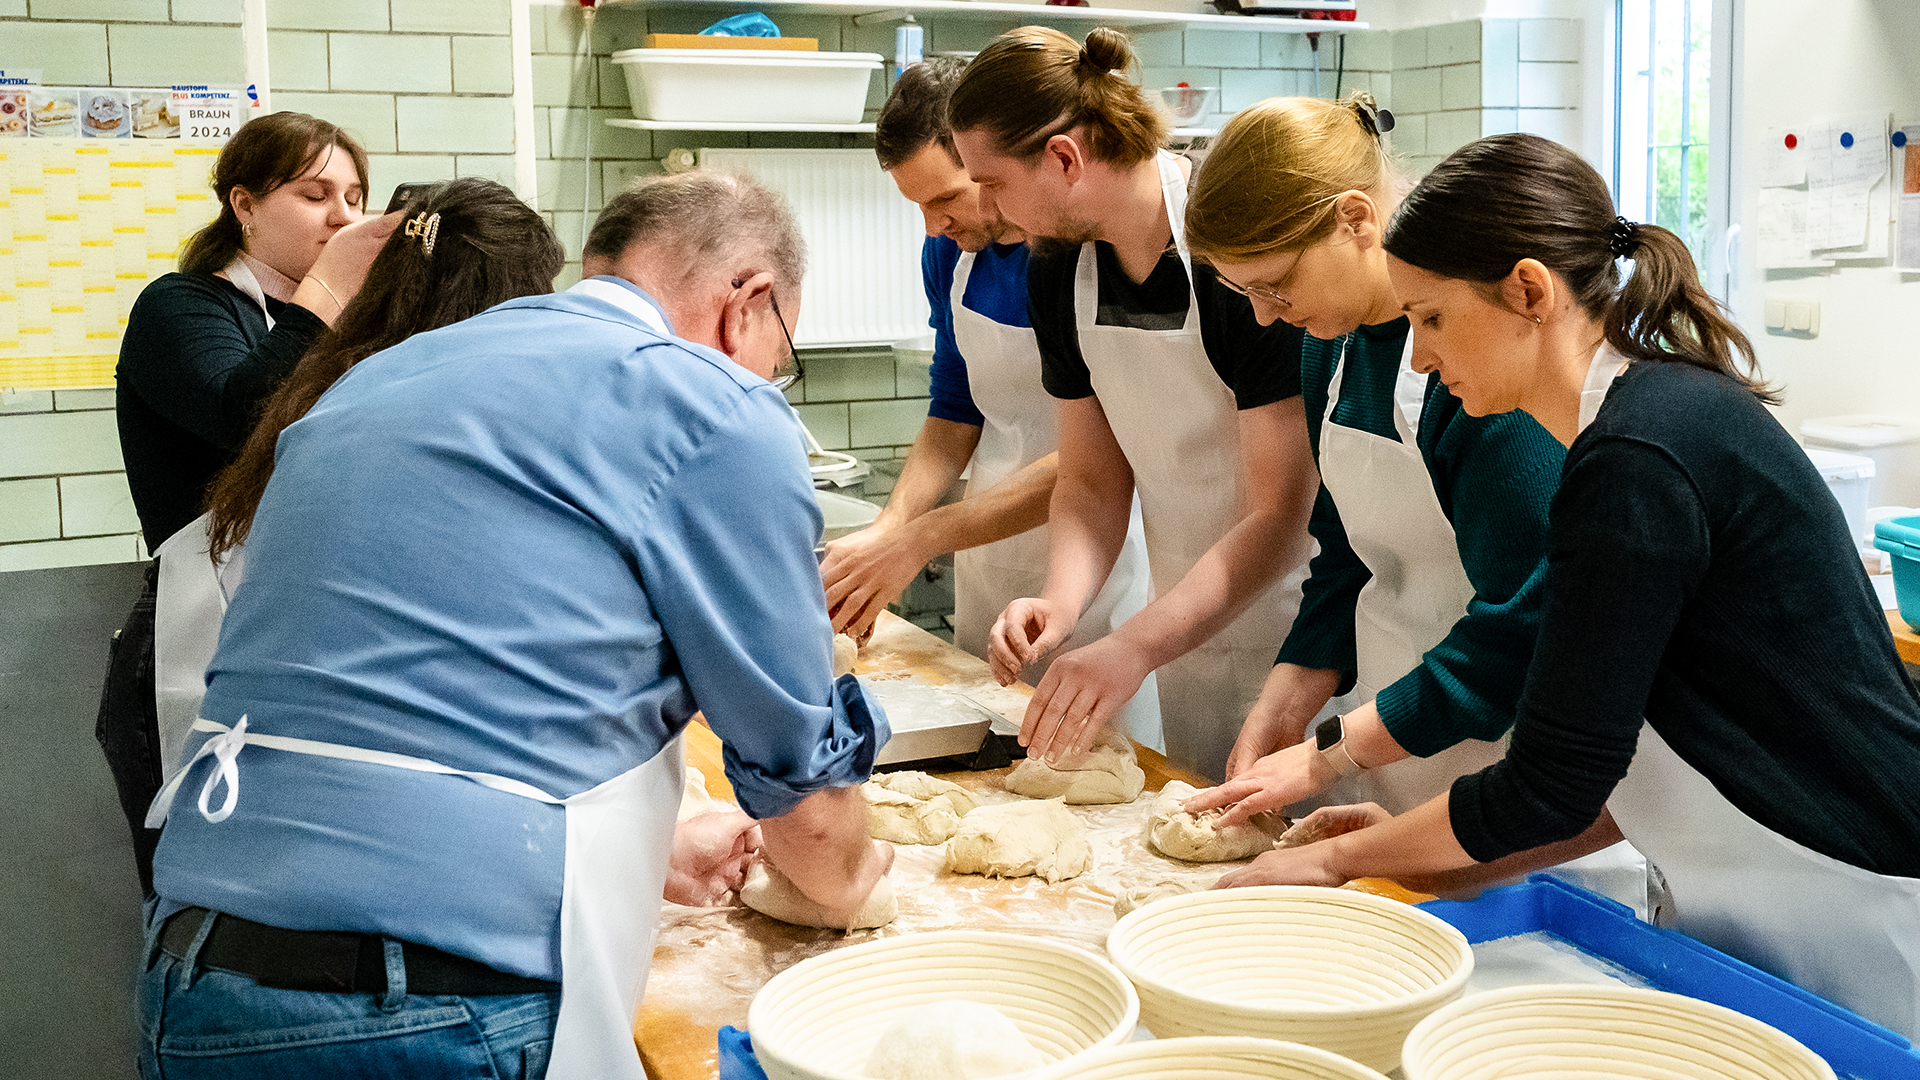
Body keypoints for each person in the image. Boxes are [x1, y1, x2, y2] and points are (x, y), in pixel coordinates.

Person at [137, 172, 893, 1078]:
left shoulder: (375, 381)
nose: (771, 377)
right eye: (782, 353)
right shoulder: (707, 404)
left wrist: (641, 853)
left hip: (196, 967)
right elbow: (800, 788)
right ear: (750, 304)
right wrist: (852, 879)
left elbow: (431, 684)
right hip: (421, 1010)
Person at [1222, 133, 1920, 1037]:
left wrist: (1342, 863)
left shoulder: (1638, 457)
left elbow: (1547, 783)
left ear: (1528, 292)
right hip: (1745, 889)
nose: (1423, 358)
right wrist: (1421, 856)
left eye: (1431, 318)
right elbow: (1604, 785)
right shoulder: (1639, 427)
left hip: (1845, 901)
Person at [947, 27, 1319, 780]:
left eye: (991, 181)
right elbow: (1091, 479)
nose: (986, 205)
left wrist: (1137, 645)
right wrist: (1060, 601)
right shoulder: (1058, 271)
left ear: (1063, 158)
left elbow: (1279, 511)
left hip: (1300, 631)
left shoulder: (1229, 262)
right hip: (1181, 627)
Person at [823, 57, 1161, 746]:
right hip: (987, 563)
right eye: (917, 206)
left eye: (949, 197)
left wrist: (927, 536)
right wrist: (891, 530)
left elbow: (1098, 456)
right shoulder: (951, 256)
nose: (931, 225)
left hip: (1096, 563)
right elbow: (954, 414)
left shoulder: (1071, 257)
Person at [99, 111, 395, 892]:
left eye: (356, 196)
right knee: (203, 893)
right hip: (195, 641)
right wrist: (330, 288)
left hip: (309, 640)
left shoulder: (336, 333)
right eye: (315, 193)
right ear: (244, 204)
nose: (343, 216)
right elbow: (244, 414)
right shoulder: (180, 307)